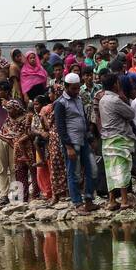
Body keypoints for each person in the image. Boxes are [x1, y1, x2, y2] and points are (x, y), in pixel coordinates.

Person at [54, 72, 98, 212]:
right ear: (66, 87)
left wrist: (90, 138)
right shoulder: (60, 103)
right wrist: (68, 147)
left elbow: (83, 120)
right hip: (72, 143)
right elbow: (60, 127)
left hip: (83, 140)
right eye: (73, 88)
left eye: (78, 88)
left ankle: (89, 200)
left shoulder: (78, 99)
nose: (76, 91)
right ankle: (77, 203)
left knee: (92, 169)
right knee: (74, 173)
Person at [96, 73, 136, 210]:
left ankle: (112, 200)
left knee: (110, 171)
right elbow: (131, 113)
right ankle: (124, 200)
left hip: (107, 139)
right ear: (115, 84)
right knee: (122, 168)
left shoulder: (102, 99)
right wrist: (124, 98)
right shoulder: (115, 100)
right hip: (119, 137)